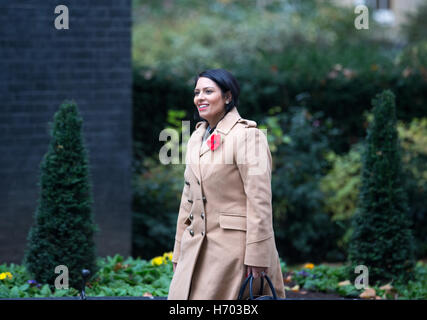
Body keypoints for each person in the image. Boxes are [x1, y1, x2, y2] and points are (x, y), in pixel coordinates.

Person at [167, 68, 285, 300]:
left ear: (228, 97)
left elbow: (259, 201)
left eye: (208, 91)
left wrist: (258, 255)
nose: (200, 97)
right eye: (197, 92)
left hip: (234, 253)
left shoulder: (249, 136)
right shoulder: (196, 138)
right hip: (195, 250)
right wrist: (179, 251)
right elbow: (187, 200)